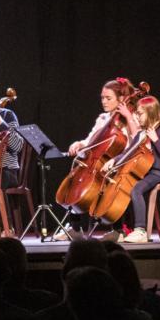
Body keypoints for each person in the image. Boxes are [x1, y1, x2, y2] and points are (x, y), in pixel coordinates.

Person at [57, 78, 135, 240]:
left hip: (121, 162)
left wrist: (128, 118)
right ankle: (75, 227)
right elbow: (91, 141)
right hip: (100, 162)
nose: (104, 101)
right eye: (102, 98)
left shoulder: (129, 120)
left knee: (111, 182)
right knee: (77, 179)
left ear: (121, 99)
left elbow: (133, 145)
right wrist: (80, 143)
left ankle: (119, 229)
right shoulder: (102, 119)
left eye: (108, 98)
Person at [100, 96, 160, 243]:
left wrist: (155, 140)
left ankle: (140, 230)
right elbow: (128, 153)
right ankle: (121, 230)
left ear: (151, 113)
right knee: (123, 188)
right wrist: (114, 160)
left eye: (140, 113)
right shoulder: (141, 134)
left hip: (159, 173)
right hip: (145, 172)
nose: (136, 117)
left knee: (136, 189)